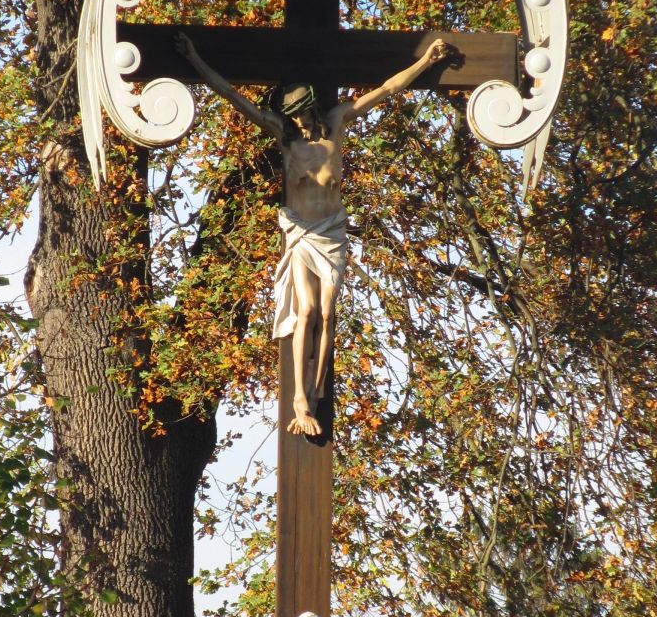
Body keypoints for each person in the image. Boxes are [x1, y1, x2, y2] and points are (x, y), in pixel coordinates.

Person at [175, 31, 451, 436]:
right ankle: (299, 400)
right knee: (306, 312)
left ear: (314, 109)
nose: (300, 121)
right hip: (303, 235)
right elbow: (234, 97)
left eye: (304, 113)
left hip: (332, 232)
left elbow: (387, 88)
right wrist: (195, 58)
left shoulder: (337, 123)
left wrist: (426, 61)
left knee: (327, 313)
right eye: (295, 116)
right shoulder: (285, 139)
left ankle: (317, 394)